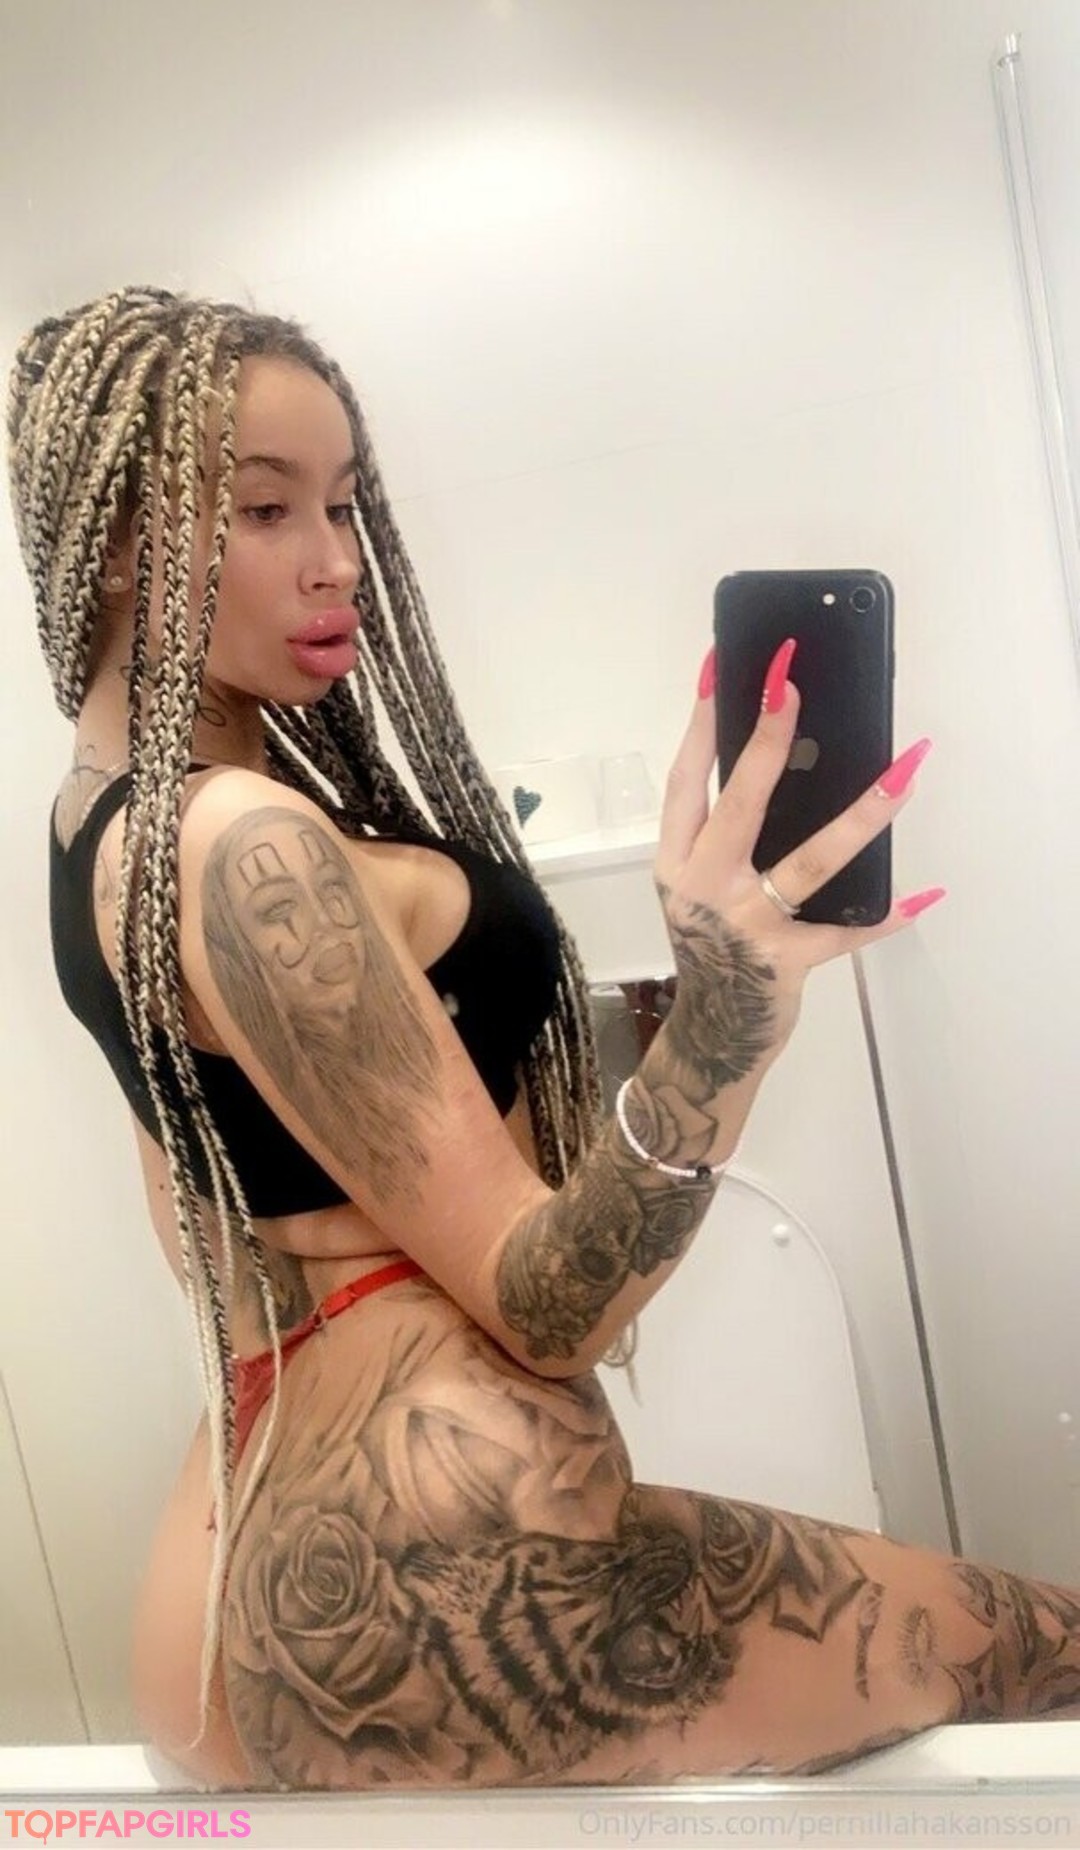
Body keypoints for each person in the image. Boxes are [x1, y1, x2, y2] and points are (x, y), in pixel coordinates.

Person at [7, 284, 1078, 1793]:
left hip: (252, 1560)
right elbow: (544, 1303)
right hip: (442, 1569)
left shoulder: (95, 825)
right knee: (1051, 1662)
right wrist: (726, 1022)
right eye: (264, 508)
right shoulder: (242, 842)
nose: (336, 560)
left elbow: (215, 1235)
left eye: (344, 504)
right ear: (121, 538)